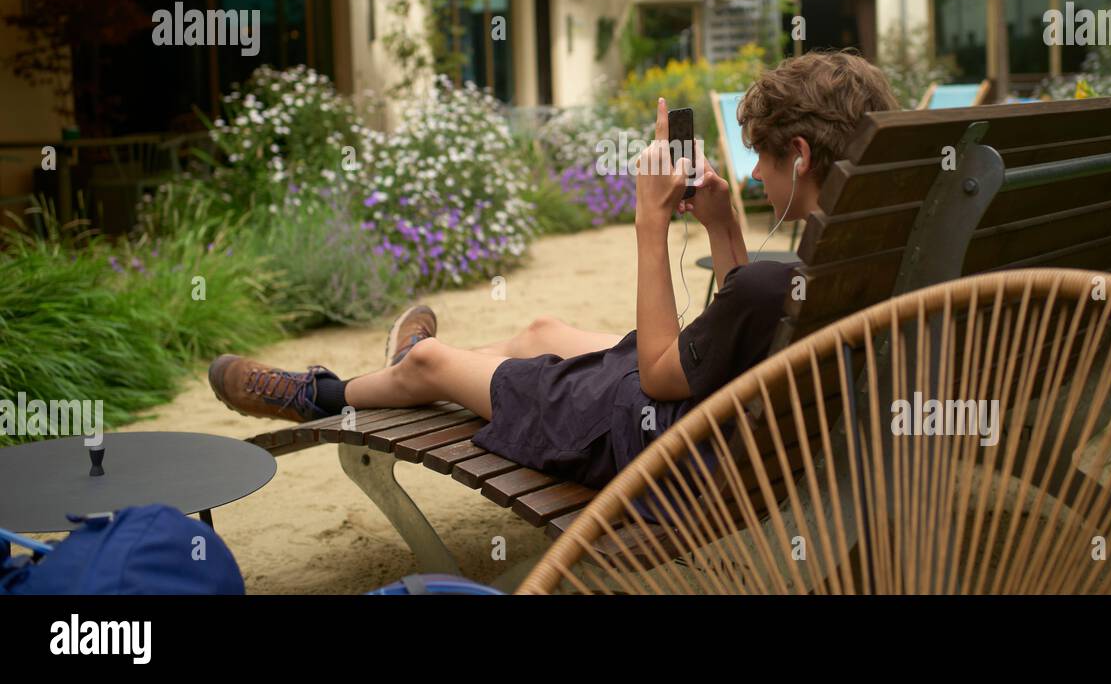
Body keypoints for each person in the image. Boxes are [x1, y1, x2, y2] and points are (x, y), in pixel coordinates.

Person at [209, 51, 899, 490]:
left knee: (434, 370)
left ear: (800, 155)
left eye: (763, 157)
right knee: (540, 327)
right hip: (720, 423)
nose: (753, 171)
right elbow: (747, 339)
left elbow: (661, 373)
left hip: (653, 443)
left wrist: (651, 221)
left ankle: (329, 392)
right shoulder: (863, 256)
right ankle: (404, 367)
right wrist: (722, 225)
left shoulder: (773, 282)